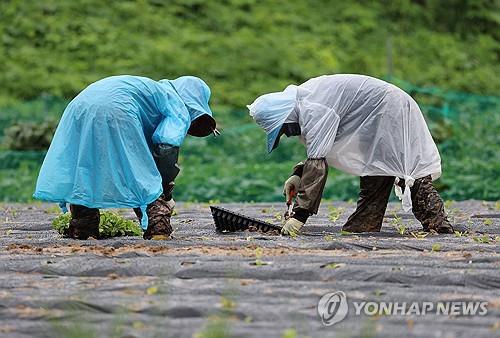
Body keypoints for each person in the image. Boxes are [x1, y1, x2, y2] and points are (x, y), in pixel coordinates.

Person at [247, 74, 453, 236]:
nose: (287, 134)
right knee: (376, 169)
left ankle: (439, 226)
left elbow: (317, 161)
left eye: (283, 129)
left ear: (286, 116)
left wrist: (299, 216)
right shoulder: (306, 101)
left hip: (389, 108)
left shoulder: (313, 109)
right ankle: (364, 225)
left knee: (407, 171)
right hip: (377, 112)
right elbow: (321, 148)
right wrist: (298, 175)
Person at [34, 75, 218, 240]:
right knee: (145, 177)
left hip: (80, 107)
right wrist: (163, 186)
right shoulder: (175, 103)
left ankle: (83, 227)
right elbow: (166, 146)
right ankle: (158, 229)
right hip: (119, 109)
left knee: (85, 168)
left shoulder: (152, 93)